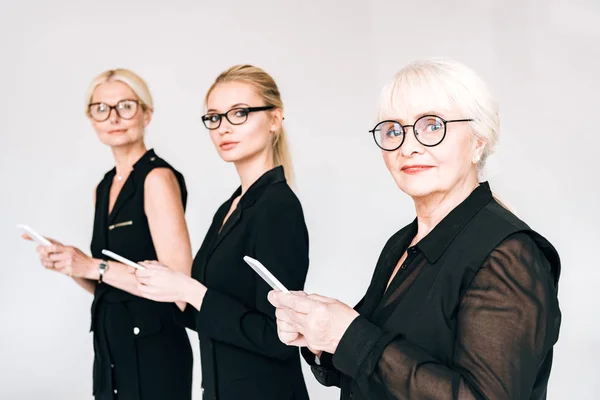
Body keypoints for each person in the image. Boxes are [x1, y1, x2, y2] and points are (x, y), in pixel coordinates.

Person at [269, 58, 562, 400]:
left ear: (478, 142)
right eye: (394, 130)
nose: (408, 146)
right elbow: (376, 368)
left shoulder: (507, 255)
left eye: (432, 125)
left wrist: (347, 336)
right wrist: (320, 336)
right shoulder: (403, 242)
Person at [134, 65, 310, 400]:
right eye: (214, 117)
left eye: (239, 113)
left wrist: (190, 290)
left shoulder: (278, 208)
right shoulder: (230, 207)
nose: (223, 128)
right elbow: (214, 320)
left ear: (274, 119)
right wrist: (168, 288)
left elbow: (277, 338)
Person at [27, 69, 194, 399]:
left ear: (146, 113)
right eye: (101, 108)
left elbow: (179, 283)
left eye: (126, 106)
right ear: (91, 118)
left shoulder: (157, 179)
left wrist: (93, 266)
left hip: (153, 350)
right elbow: (109, 288)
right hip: (110, 349)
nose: (113, 117)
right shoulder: (103, 187)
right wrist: (71, 265)